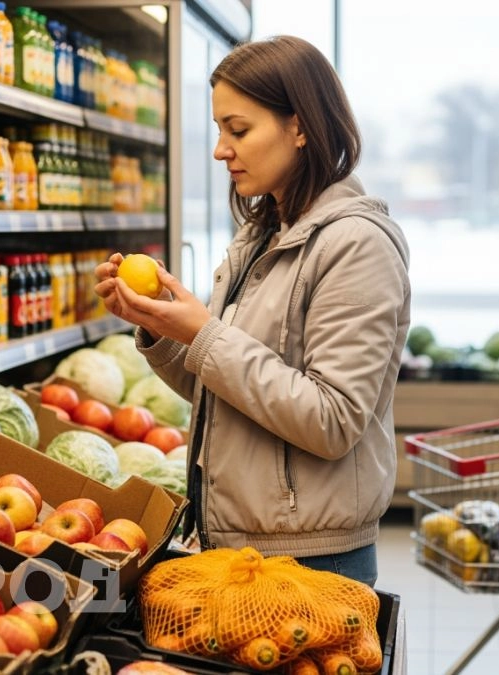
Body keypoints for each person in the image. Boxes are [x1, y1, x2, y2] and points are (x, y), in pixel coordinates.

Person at [93, 35, 410, 587]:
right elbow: (223, 395)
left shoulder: (357, 245)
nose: (221, 150)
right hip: (238, 549)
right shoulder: (263, 236)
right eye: (219, 130)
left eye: (238, 130)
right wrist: (161, 326)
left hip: (312, 563)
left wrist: (206, 334)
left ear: (301, 126)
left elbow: (333, 420)